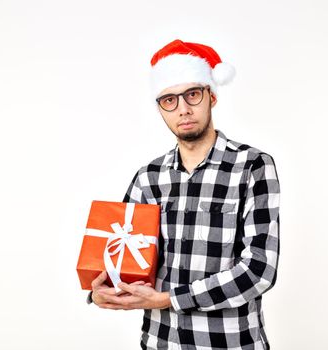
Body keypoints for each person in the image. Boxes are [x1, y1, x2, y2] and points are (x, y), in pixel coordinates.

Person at [87, 39, 280, 350]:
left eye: (192, 94)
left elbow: (259, 270)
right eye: (169, 100)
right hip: (159, 342)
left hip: (230, 343)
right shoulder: (148, 177)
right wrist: (100, 291)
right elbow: (122, 259)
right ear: (160, 107)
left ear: (211, 96)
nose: (183, 109)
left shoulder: (252, 167)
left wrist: (168, 299)